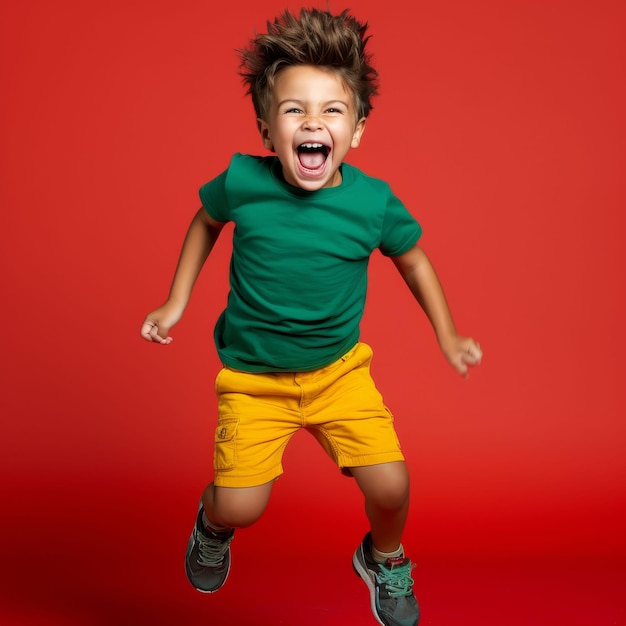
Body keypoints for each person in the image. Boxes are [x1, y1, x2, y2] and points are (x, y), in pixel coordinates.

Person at [140, 8, 482, 626]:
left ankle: (384, 557)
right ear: (268, 129)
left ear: (358, 129)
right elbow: (206, 220)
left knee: (393, 486)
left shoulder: (372, 203)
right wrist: (177, 300)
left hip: (339, 375)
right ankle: (213, 525)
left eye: (332, 110)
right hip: (254, 381)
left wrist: (448, 334)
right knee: (242, 505)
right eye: (294, 110)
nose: (313, 122)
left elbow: (415, 262)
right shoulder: (243, 180)